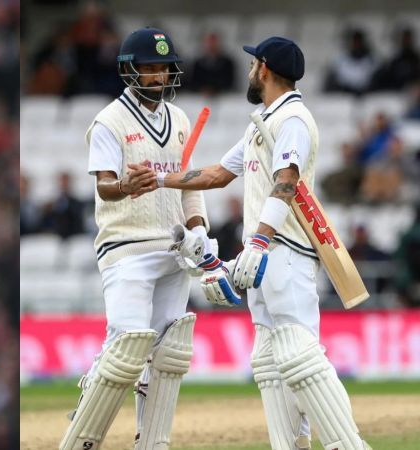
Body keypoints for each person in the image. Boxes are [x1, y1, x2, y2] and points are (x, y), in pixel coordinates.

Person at [147, 36, 371, 450]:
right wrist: (158, 180)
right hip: (266, 257)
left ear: (264, 69)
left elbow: (287, 181)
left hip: (285, 254)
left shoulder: (293, 120)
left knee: (301, 358)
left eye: (254, 64)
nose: (250, 70)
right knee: (271, 364)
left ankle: (349, 446)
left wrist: (259, 241)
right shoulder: (263, 123)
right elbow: (216, 174)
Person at [60, 27, 218, 450]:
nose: (158, 77)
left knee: (168, 355)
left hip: (175, 250)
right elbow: (105, 186)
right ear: (129, 70)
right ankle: (82, 435)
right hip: (126, 247)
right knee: (127, 348)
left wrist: (200, 230)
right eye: (148, 68)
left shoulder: (180, 119)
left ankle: (152, 442)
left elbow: (190, 183)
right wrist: (128, 186)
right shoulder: (109, 121)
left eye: (163, 69)